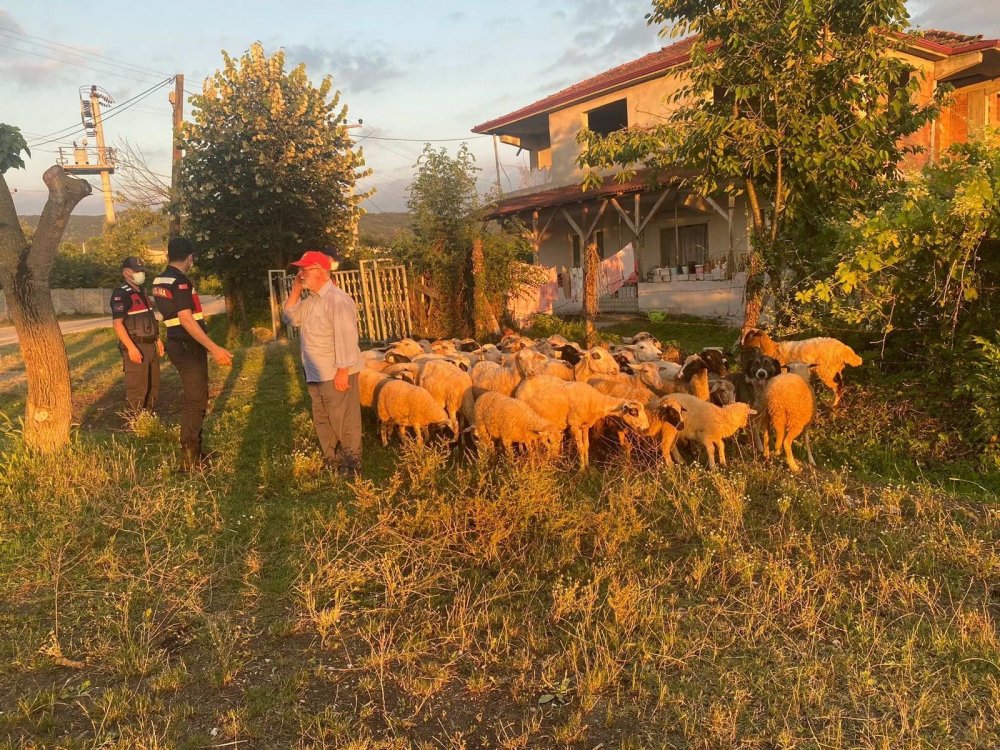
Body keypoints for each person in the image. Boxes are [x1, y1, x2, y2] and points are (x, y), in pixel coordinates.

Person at [152, 237, 233, 470]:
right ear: (190, 257)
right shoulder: (181, 282)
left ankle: (195, 449)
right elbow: (187, 319)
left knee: (195, 395)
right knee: (196, 398)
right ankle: (190, 458)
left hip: (177, 343)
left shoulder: (160, 279)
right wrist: (214, 347)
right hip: (188, 345)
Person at [282, 250, 364, 477]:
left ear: (321, 272)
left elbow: (346, 336)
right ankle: (333, 459)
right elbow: (289, 317)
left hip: (335, 371)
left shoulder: (338, 300)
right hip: (315, 372)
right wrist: (296, 290)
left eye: (305, 270)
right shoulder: (311, 301)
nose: (300, 274)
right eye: (300, 270)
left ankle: (352, 465)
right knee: (323, 418)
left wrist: (343, 370)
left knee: (344, 419)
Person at [109, 256, 162, 416]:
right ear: (126, 272)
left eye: (141, 271)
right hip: (136, 346)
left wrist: (157, 339)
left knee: (153, 384)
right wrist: (131, 348)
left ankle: (147, 417)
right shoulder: (121, 294)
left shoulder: (142, 293)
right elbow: (117, 324)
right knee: (138, 387)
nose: (141, 274)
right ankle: (134, 421)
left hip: (150, 345)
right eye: (137, 271)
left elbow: (150, 319)